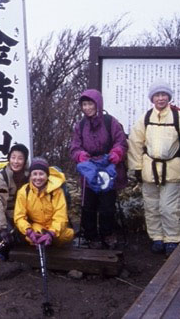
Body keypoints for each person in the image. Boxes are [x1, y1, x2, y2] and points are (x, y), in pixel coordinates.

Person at [128, 80, 180, 256]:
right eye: (157, 95)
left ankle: (172, 238)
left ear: (169, 97)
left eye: (164, 95)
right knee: (151, 206)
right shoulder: (145, 118)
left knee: (169, 207)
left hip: (173, 169)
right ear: (152, 98)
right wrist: (137, 168)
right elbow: (135, 143)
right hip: (149, 169)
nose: (161, 98)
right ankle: (157, 237)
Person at [69, 89, 128, 249]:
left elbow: (121, 141)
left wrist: (117, 153)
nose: (87, 108)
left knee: (107, 205)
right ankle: (90, 236)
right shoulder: (80, 125)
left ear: (98, 104)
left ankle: (107, 234)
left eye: (90, 104)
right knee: (88, 204)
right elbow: (74, 146)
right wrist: (80, 155)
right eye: (84, 104)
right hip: (89, 170)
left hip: (108, 167)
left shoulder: (110, 122)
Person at [14, 158, 75, 247]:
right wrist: (29, 231)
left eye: (41, 174)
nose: (38, 178)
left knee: (66, 236)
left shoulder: (57, 191)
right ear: (30, 176)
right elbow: (19, 217)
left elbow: (61, 216)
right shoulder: (23, 192)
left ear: (47, 175)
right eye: (34, 174)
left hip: (54, 226)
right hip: (37, 226)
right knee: (32, 238)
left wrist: (51, 233)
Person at [0, 143, 30, 262]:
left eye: (20, 158)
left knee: (23, 234)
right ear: (9, 158)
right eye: (13, 157)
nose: (16, 161)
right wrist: (2, 227)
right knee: (5, 233)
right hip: (0, 213)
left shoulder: (29, 175)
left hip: (19, 213)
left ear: (25, 160)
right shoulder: (1, 176)